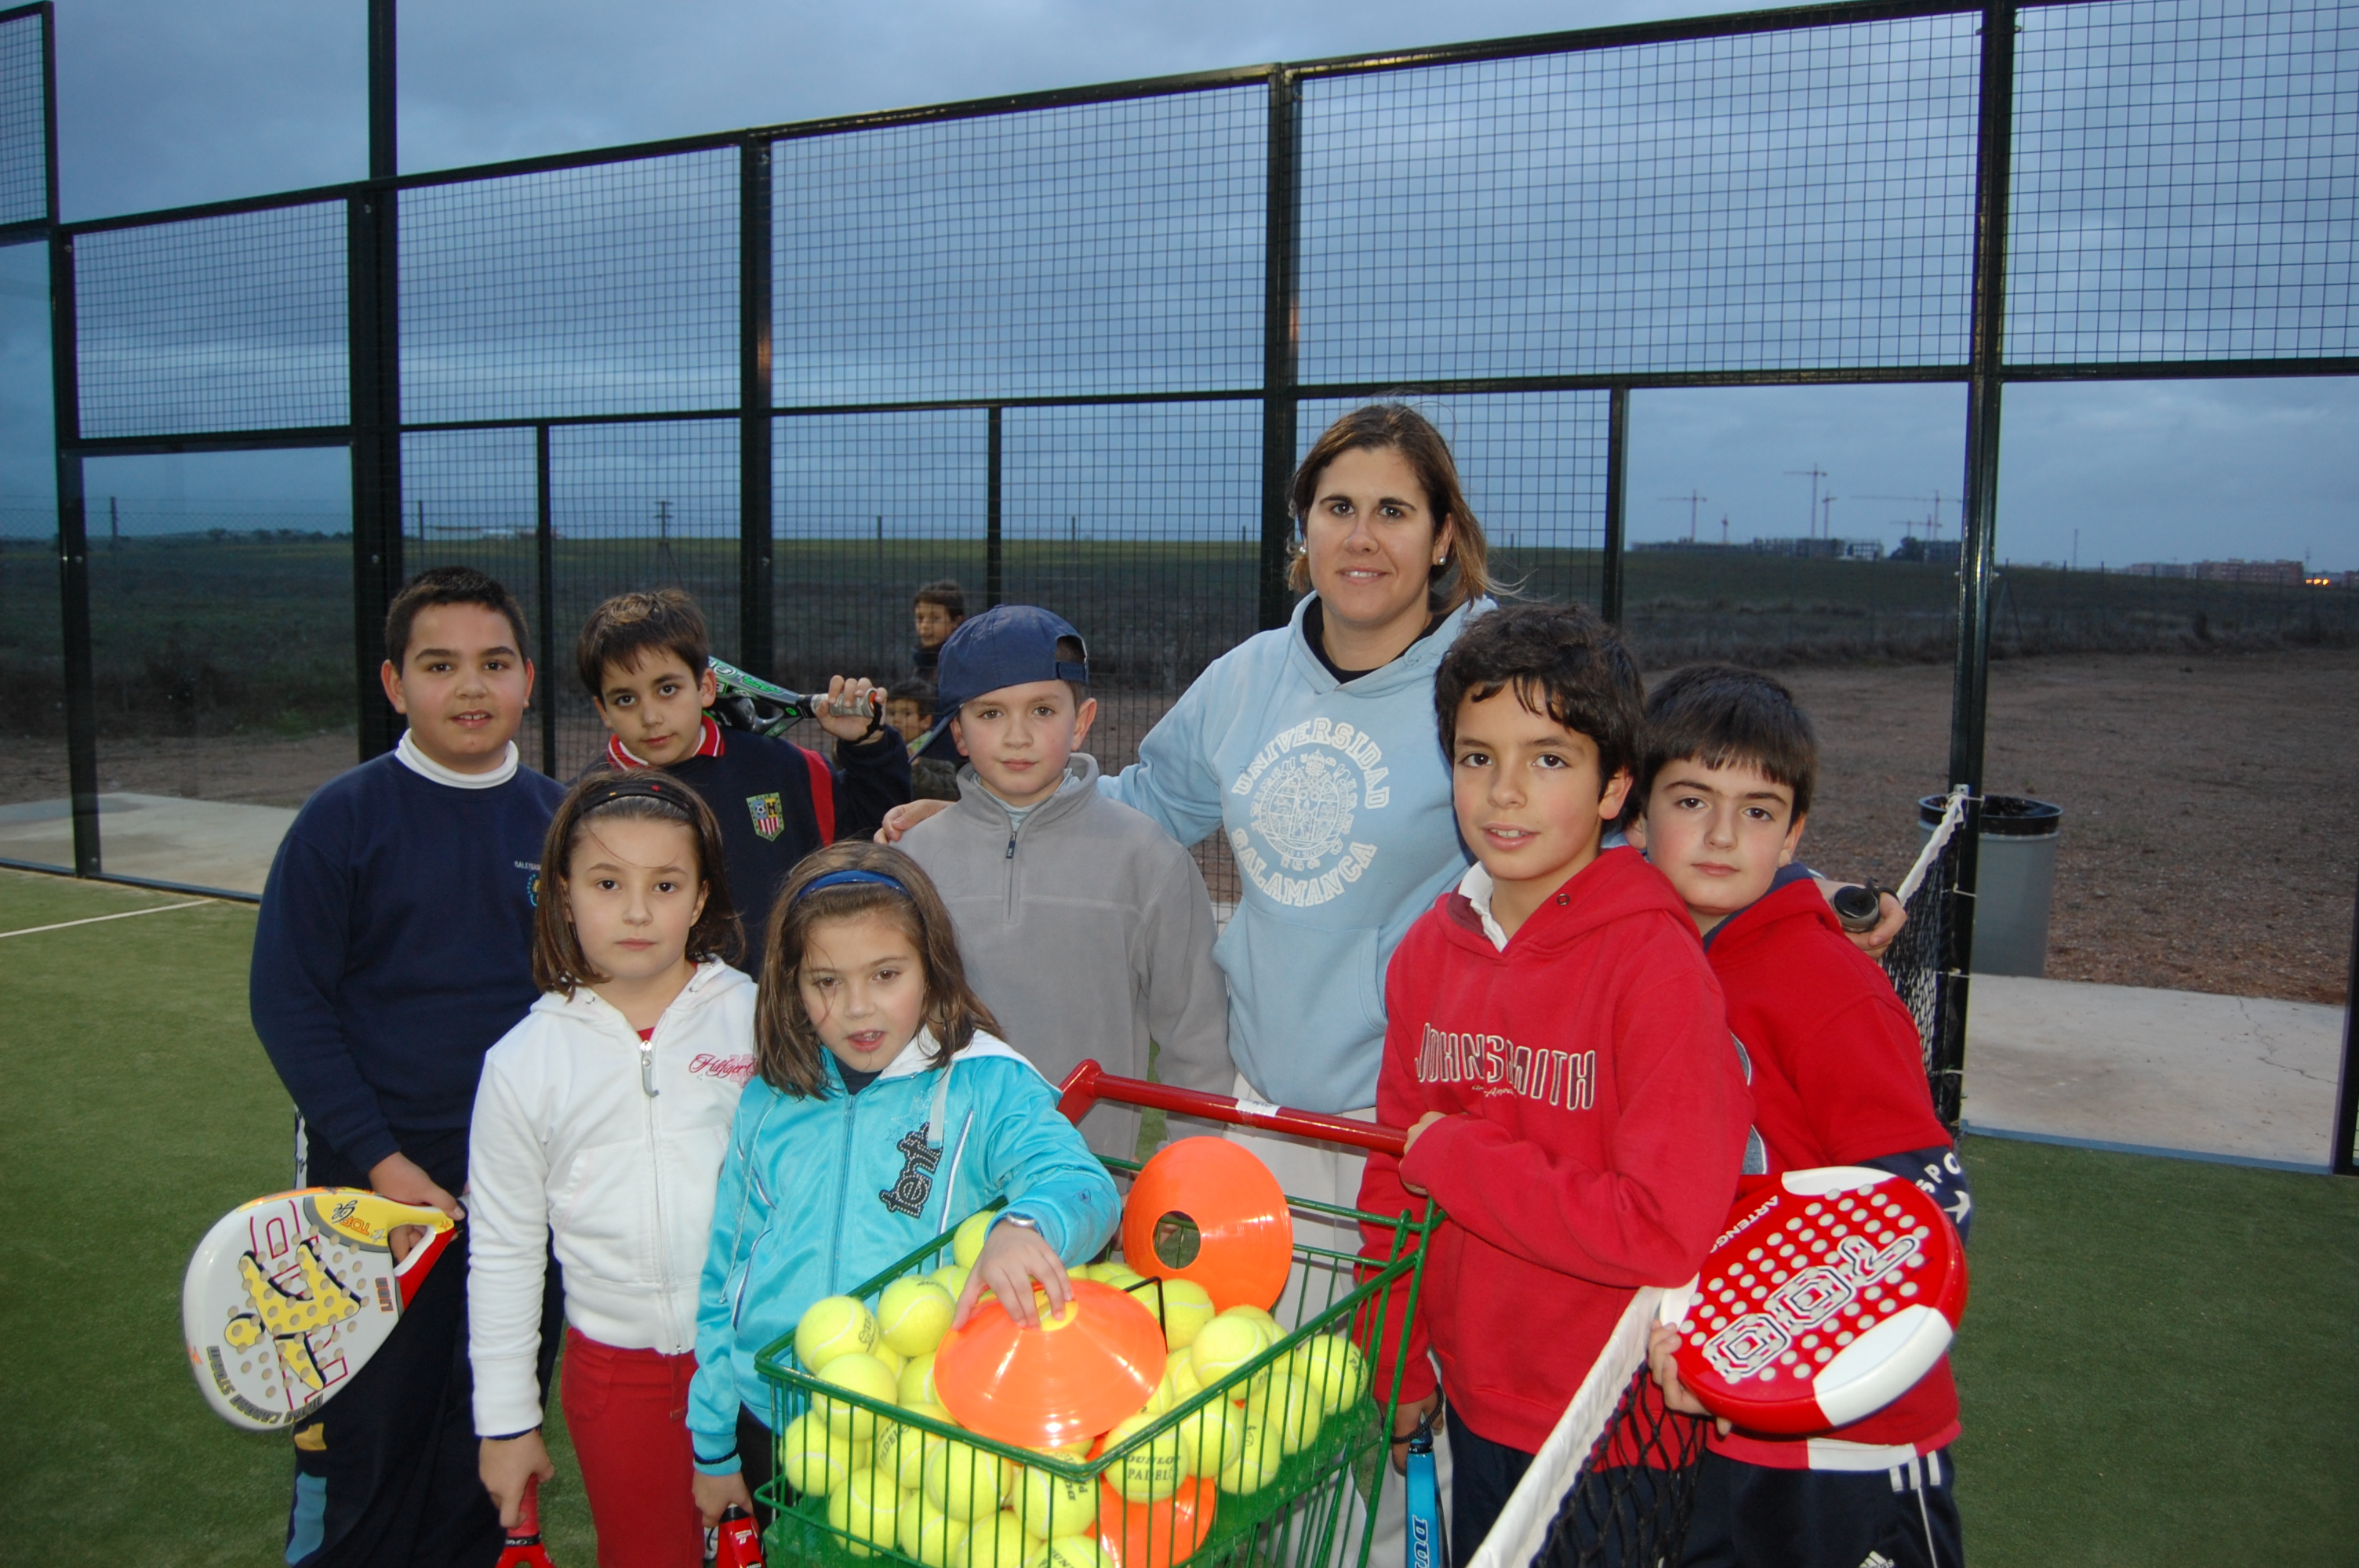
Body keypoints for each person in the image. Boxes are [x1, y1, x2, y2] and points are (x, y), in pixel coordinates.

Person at [1356, 602, 1756, 1566]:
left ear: (1614, 785)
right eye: (1476, 756)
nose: (1504, 791)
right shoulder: (1427, 952)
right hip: (1472, 1401)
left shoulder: (1654, 968)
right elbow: (1390, 1174)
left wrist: (1461, 1158)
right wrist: (1396, 1358)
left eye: (1547, 759)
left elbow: (1661, 1227)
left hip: (1613, 1430)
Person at [250, 565, 566, 1568]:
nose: (470, 686)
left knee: (491, 1431)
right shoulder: (342, 818)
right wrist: (385, 1166)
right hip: (373, 1192)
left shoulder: (567, 822)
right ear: (395, 683)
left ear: (526, 680)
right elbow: (289, 1005)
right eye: (439, 665)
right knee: (369, 1446)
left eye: (494, 663)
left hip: (520, 1196)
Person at [1624, 666, 1968, 1568]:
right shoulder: (1646, 965)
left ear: (1792, 833)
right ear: (1635, 815)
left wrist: (1767, 1358)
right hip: (1713, 1426)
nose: (1720, 834)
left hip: (1850, 1444)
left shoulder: (1830, 987)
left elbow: (1925, 1206)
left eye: (1756, 810)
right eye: (1690, 800)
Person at [686, 841, 1119, 1529]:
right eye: (826, 982)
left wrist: (1025, 1227)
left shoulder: (988, 1083)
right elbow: (726, 1276)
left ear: (933, 969)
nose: (857, 1008)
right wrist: (713, 1441)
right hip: (769, 1416)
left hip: (916, 1435)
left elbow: (1081, 1184)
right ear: (792, 985)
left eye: (886, 975)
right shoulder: (771, 1096)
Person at [467, 771, 756, 1568]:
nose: (636, 911)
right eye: (606, 883)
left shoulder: (759, 1017)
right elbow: (504, 1252)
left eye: (664, 884)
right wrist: (506, 1422)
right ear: (562, 895)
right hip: (618, 1382)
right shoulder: (521, 1062)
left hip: (760, 1359)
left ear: (700, 898)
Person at [895, 605, 1230, 1160]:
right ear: (957, 732)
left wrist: (1192, 1169)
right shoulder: (913, 861)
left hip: (1088, 1182)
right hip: (938, 1182)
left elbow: (1197, 1038)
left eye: (1043, 710)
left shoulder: (1147, 858)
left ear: (1081, 721)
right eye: (991, 713)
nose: (1018, 736)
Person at [580, 588, 910, 960]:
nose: (651, 716)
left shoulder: (782, 768)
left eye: (668, 689)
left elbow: (874, 837)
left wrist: (869, 746)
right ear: (603, 710)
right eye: (626, 699)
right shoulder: (582, 806)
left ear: (706, 687)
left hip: (780, 993)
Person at [885, 677, 961, 802]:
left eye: (907, 713)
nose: (896, 720)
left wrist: (916, 769)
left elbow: (952, 791)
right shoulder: (883, 749)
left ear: (926, 721)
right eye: (891, 713)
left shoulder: (936, 751)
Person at [911, 579, 967, 676]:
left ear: (956, 621)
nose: (924, 626)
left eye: (935, 619)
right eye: (920, 618)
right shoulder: (921, 662)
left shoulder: (962, 665)